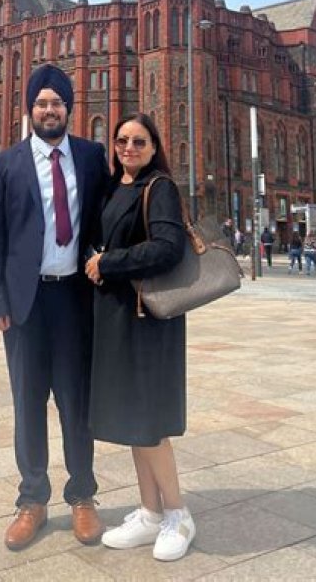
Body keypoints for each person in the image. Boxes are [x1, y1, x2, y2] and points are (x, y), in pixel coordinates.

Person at [0, 63, 110, 552]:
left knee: (76, 404)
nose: (49, 110)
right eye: (41, 103)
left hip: (75, 299)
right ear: (30, 110)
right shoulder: (6, 164)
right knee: (28, 402)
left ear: (68, 109)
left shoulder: (91, 157)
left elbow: (105, 220)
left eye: (56, 103)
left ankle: (82, 496)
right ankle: (32, 499)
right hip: (25, 303)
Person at [84, 113, 195, 563]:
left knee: (149, 422)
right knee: (134, 418)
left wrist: (108, 263)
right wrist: (96, 257)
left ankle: (178, 514)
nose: (129, 147)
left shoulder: (159, 186)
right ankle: (150, 511)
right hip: (116, 315)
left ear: (154, 147)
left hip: (147, 317)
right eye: (122, 140)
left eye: (139, 141)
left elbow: (168, 248)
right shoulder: (115, 187)